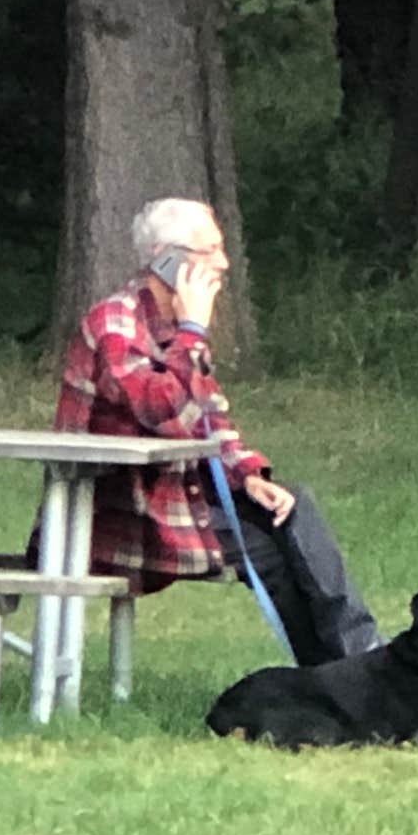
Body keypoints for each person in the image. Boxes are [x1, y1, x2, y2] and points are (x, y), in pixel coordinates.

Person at [55, 196, 377, 665]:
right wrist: (192, 332)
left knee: (291, 508)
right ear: (167, 257)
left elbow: (210, 416)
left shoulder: (178, 330)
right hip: (124, 512)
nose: (224, 264)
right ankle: (347, 672)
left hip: (177, 497)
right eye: (211, 251)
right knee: (267, 553)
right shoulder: (116, 323)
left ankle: (357, 663)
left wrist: (248, 475)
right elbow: (158, 409)